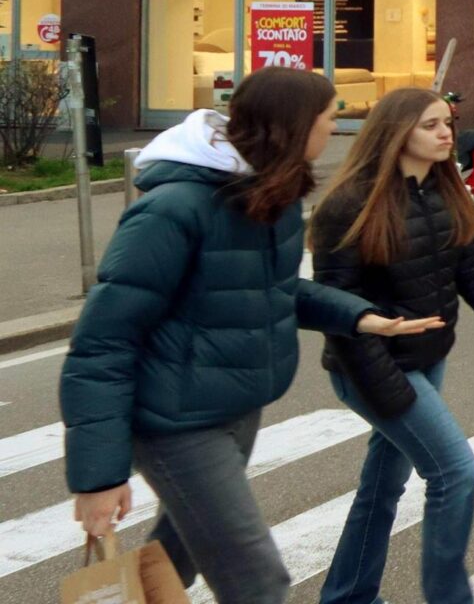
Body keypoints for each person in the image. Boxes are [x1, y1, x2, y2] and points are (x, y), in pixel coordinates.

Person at [60, 69, 444, 604]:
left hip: (234, 405)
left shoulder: (273, 197)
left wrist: (360, 316)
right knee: (258, 582)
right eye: (331, 117)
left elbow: (276, 290)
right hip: (176, 422)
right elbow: (103, 342)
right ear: (294, 125)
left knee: (176, 557)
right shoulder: (173, 210)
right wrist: (98, 478)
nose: (336, 128)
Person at [310, 88, 474, 604]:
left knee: (382, 487)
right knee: (454, 471)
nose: (445, 134)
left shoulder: (442, 192)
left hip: (426, 358)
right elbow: (335, 307)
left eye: (447, 124)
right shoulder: (350, 205)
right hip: (369, 366)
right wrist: (387, 389)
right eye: (430, 125)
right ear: (396, 134)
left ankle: (347, 596)